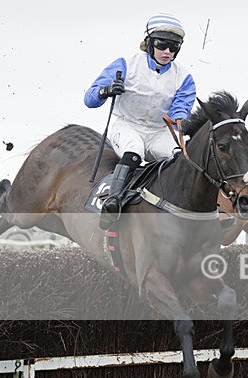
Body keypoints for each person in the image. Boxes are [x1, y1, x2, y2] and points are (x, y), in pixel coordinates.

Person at [84, 13, 196, 229]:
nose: (167, 52)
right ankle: (113, 202)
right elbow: (89, 99)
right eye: (162, 45)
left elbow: (180, 109)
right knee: (134, 150)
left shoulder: (183, 76)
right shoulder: (126, 64)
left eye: (174, 47)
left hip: (159, 131)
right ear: (150, 43)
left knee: (181, 159)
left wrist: (181, 119)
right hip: (128, 126)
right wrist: (106, 91)